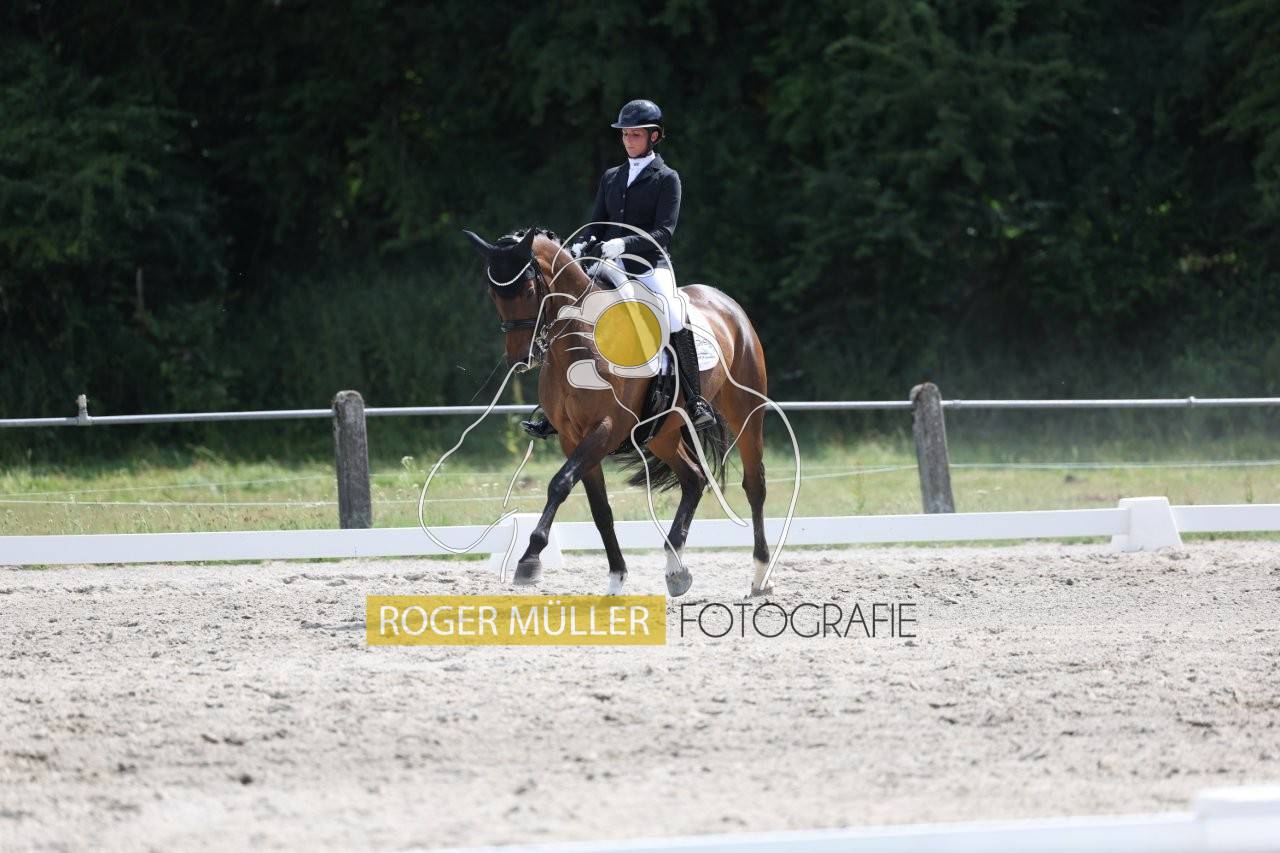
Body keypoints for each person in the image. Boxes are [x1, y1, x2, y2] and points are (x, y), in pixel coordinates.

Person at [521, 99, 717, 439]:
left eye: (636, 134)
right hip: (608, 265)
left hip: (649, 266)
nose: (628, 140)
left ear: (654, 136)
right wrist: (581, 246)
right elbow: (598, 223)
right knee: (568, 309)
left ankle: (695, 400)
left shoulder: (667, 178)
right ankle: (554, 407)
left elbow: (664, 232)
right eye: (625, 134)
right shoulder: (612, 177)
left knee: (673, 314)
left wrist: (625, 244)